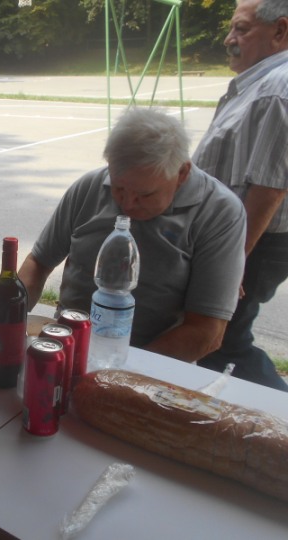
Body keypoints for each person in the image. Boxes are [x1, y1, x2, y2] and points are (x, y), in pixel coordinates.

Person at [18, 108, 247, 364]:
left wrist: (123, 370)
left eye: (145, 195)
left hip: (154, 363)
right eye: (118, 188)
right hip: (68, 347)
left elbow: (206, 331)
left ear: (182, 173)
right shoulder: (89, 187)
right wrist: (6, 320)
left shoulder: (219, 212)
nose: (127, 204)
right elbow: (38, 263)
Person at [192, 0, 288, 391]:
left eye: (242, 29)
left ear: (280, 31)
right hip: (241, 240)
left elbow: (269, 188)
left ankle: (276, 415)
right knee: (219, 338)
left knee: (221, 342)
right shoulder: (261, 84)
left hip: (254, 241)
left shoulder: (277, 89)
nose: (229, 39)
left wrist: (231, 265)